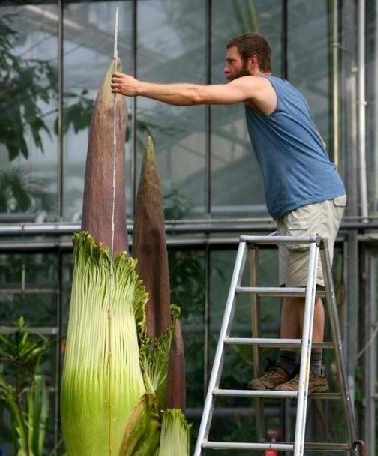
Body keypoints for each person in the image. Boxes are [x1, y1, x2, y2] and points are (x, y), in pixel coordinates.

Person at [111, 32, 346, 393]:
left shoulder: (258, 85)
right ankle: (286, 365)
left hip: (311, 200)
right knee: (292, 290)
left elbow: (196, 95)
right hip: (298, 202)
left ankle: (313, 371)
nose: (225, 70)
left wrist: (138, 88)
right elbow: (319, 141)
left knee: (308, 290)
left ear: (253, 62)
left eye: (231, 62)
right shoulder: (287, 91)